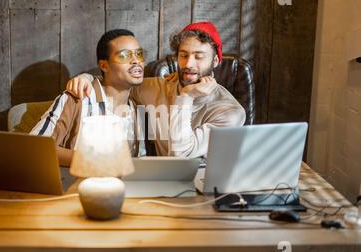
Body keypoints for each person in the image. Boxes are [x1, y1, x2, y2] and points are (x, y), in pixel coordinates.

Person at [67, 21, 246, 158]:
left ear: (215, 61)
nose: (189, 64)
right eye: (184, 55)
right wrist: (87, 78)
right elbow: (116, 83)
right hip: (163, 184)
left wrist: (186, 96)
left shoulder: (230, 111)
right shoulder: (159, 87)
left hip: (206, 188)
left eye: (199, 56)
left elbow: (180, 155)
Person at [30, 29, 147, 167]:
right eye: (124, 56)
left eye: (138, 54)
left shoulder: (137, 108)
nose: (135, 61)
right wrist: (90, 160)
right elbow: (35, 147)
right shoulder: (77, 98)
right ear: (104, 65)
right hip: (75, 184)